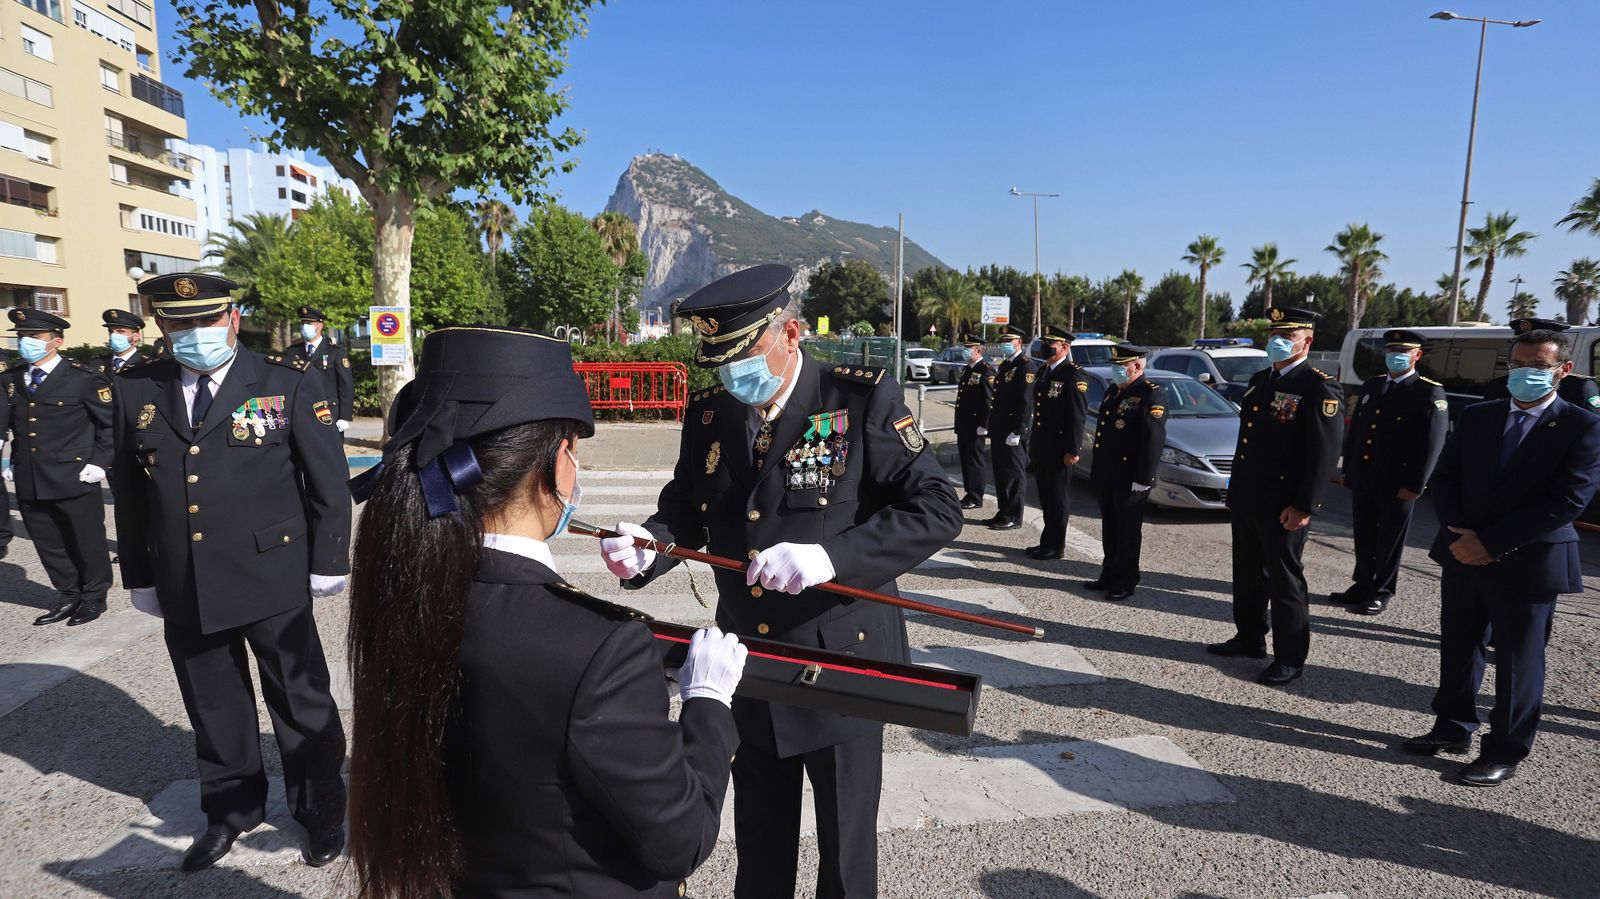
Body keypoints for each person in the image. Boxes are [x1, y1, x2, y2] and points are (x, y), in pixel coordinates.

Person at [344, 326, 746, 898]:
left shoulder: (406, 589)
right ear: (558, 464)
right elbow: (681, 840)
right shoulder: (602, 649)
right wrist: (708, 705)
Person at [601, 264, 961, 899]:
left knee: (846, 861)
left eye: (744, 358)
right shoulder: (713, 412)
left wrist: (833, 559)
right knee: (761, 852)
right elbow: (685, 507)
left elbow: (936, 506)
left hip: (842, 666)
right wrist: (650, 547)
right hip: (752, 665)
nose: (732, 377)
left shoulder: (858, 398)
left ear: (791, 333)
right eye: (720, 364)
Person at [111, 273, 352, 871]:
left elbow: (328, 484)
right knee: (212, 702)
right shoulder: (136, 389)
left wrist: (328, 561)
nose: (194, 334)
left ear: (233, 319)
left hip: (272, 572)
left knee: (299, 701)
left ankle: (321, 809)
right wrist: (140, 574)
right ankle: (230, 811)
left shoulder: (283, 382)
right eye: (180, 324)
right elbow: (131, 492)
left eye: (206, 321)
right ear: (162, 327)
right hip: (185, 578)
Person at [1402, 328, 1600, 786]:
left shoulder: (1581, 425)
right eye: (1516, 365)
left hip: (1529, 561)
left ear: (1563, 371)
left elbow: (1568, 501)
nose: (1524, 374)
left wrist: (1488, 544)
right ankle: (1451, 727)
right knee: (1459, 643)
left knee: (1518, 658)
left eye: (1537, 367)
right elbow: (1445, 477)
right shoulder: (1480, 415)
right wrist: (1462, 535)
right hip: (1462, 550)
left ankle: (1505, 750)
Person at [1206, 306, 1344, 686]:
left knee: (1285, 581)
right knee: (1247, 575)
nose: (1277, 342)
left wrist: (1304, 505)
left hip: (1284, 505)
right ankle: (1249, 638)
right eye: (1274, 335)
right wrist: (1235, 491)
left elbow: (1323, 453)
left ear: (1307, 341)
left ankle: (1290, 658)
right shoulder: (1260, 378)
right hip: (1250, 498)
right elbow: (1247, 444)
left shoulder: (1318, 385)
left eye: (1288, 336)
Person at [0, 308, 114, 625]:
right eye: (22, 337)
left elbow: (110, 426)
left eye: (34, 337)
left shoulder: (82, 378)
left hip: (74, 475)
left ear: (56, 341)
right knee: (49, 543)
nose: (26, 343)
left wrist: (99, 463)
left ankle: (93, 596)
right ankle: (67, 594)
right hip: (29, 476)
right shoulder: (9, 379)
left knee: (86, 540)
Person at [1332, 329, 1448, 616]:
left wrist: (1416, 484)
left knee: (1389, 539)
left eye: (1403, 352)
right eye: (1392, 351)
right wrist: (1348, 469)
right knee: (1365, 533)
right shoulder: (1372, 385)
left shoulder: (1428, 391)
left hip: (1399, 482)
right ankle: (1362, 584)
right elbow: (1357, 431)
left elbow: (1432, 444)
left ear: (1417, 356)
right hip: (1365, 477)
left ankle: (1381, 591)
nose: (1395, 357)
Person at [1085, 344, 1166, 600]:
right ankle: (1108, 574)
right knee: (1110, 528)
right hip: (1109, 475)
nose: (1116, 370)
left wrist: (1144, 478)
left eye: (1121, 366)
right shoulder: (1113, 391)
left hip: (1131, 478)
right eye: (1115, 366)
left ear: (1138, 366)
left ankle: (1125, 581)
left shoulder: (1150, 394)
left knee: (1128, 532)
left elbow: (1152, 439)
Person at [1025, 325, 1087, 559]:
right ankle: (1046, 541)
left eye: (1050, 343)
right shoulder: (1044, 371)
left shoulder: (1073, 374)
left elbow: (1077, 416)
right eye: (1045, 342)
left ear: (1064, 347)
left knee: (1058, 498)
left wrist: (1073, 449)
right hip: (1042, 445)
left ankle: (1056, 545)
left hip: (1060, 448)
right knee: (1046, 497)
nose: (1045, 347)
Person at [1481, 318, 1600, 412]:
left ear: (1564, 369)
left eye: (1539, 365)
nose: (1527, 371)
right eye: (1518, 364)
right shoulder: (1498, 386)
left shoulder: (1579, 388)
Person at [985, 324, 1037, 531]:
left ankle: (1014, 515)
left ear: (1019, 343)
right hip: (1000, 428)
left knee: (1014, 474)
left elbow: (1026, 402)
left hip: (1013, 430)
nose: (1005, 345)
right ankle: (1003, 510)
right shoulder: (1006, 365)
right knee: (1001, 472)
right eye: (1003, 341)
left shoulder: (1026, 366)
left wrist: (1019, 430)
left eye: (1009, 341)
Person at [288, 306, 355, 436]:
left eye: (308, 323)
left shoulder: (335, 352)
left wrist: (344, 416)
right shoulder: (292, 352)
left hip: (329, 412)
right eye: (302, 323)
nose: (304, 326)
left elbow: (346, 385)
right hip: (301, 412)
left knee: (331, 453)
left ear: (319, 326)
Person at [953, 332, 994, 511]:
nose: (965, 351)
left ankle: (976, 495)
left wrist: (984, 425)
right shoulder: (968, 368)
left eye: (968, 348)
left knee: (975, 460)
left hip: (976, 425)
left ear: (977, 350)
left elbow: (988, 400)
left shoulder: (985, 369)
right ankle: (970, 492)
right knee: (966, 459)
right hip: (965, 424)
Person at [92, 309, 158, 378]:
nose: (114, 335)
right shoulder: (96, 363)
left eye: (120, 331)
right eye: (111, 331)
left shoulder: (148, 365)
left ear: (136, 336)